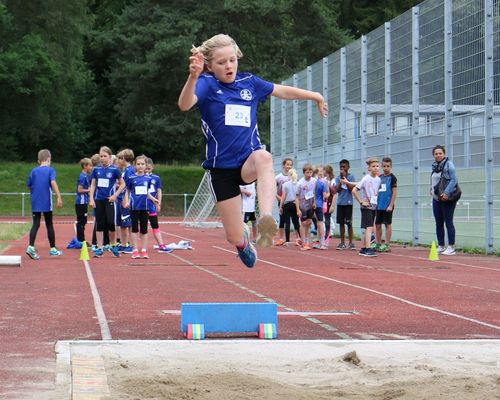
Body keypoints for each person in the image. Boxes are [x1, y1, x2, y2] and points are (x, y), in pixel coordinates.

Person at [178, 33, 327, 268]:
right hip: (221, 169)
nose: (228, 66)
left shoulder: (250, 83)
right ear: (209, 66)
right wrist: (193, 77)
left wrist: (315, 96)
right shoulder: (206, 84)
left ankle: (266, 217)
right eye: (221, 62)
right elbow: (184, 104)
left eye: (232, 60)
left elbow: (283, 91)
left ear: (237, 58)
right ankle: (242, 242)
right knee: (233, 236)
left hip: (248, 161)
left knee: (264, 156)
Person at [25, 149, 63, 260]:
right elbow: (52, 182)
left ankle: (31, 247)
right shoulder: (50, 170)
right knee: (49, 224)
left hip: (35, 201)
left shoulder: (33, 171)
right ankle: (53, 249)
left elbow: (29, 185)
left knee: (35, 224)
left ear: (38, 160)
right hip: (46, 201)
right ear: (48, 159)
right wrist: (58, 196)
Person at [89, 146, 125, 258]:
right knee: (99, 224)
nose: (103, 158)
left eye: (105, 156)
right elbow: (93, 184)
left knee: (110, 223)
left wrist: (115, 195)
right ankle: (99, 248)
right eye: (101, 156)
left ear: (110, 157)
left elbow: (123, 184)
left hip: (110, 200)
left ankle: (113, 245)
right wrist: (91, 198)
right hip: (99, 200)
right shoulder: (96, 170)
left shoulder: (115, 170)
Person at [124, 155, 159, 259]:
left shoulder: (148, 179)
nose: (140, 166)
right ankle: (135, 250)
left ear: (145, 166)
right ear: (135, 166)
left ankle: (143, 250)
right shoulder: (131, 178)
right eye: (138, 164)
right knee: (134, 229)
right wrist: (127, 201)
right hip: (134, 206)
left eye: (142, 164)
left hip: (145, 206)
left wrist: (153, 199)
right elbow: (127, 190)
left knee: (144, 230)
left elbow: (146, 192)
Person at [431, 145, 458, 256]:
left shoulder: (449, 165)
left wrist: (446, 192)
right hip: (436, 198)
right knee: (438, 222)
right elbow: (435, 180)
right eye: (436, 154)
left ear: (444, 154)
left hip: (446, 198)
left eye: (440, 153)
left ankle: (451, 247)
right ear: (433, 155)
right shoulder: (434, 166)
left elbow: (454, 180)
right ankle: (441, 245)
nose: (438, 155)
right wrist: (431, 189)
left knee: (448, 222)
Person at [352, 157, 381, 257]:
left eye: (377, 166)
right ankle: (368, 248)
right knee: (369, 227)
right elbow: (354, 190)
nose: (376, 168)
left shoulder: (378, 180)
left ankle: (363, 248)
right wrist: (361, 201)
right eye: (373, 166)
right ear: (369, 168)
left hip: (373, 206)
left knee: (369, 227)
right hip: (366, 206)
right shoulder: (365, 179)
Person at [145, 157, 171, 253]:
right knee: (139, 227)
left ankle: (161, 244)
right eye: (145, 168)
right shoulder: (140, 177)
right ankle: (134, 246)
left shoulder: (156, 178)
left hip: (152, 206)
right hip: (141, 206)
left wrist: (158, 203)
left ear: (152, 167)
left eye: (149, 168)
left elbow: (159, 191)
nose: (147, 170)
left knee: (155, 225)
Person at [373, 157, 397, 252]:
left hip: (387, 205)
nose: (386, 168)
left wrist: (390, 205)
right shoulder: (379, 178)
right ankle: (378, 243)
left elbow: (394, 192)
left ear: (390, 167)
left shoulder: (392, 178)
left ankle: (387, 244)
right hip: (379, 205)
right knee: (378, 224)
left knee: (387, 224)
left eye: (388, 166)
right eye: (384, 166)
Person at [334, 159, 356, 250]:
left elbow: (352, 189)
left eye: (344, 167)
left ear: (348, 167)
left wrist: (346, 181)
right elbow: (336, 190)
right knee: (341, 223)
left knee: (349, 223)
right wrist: (340, 181)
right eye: (341, 167)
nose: (342, 169)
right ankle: (342, 242)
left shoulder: (351, 177)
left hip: (348, 203)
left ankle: (351, 242)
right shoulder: (337, 178)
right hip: (340, 203)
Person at [116, 149, 135, 253]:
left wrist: (126, 200)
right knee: (123, 225)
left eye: (120, 158)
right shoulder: (125, 171)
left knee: (128, 224)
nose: (118, 161)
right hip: (121, 200)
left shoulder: (129, 171)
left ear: (124, 159)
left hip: (126, 201)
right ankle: (123, 244)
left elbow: (129, 188)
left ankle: (131, 246)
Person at [295, 163, 317, 251]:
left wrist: (314, 202)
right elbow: (296, 197)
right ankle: (303, 242)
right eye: (307, 172)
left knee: (309, 222)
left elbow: (314, 192)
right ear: (304, 173)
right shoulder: (300, 183)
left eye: (311, 172)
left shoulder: (314, 181)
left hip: (310, 205)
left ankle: (307, 240)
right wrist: (298, 209)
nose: (309, 174)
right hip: (302, 206)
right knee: (303, 223)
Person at [275, 158, 294, 246]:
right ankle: (281, 238)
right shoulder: (278, 177)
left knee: (293, 220)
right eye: (287, 164)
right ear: (283, 165)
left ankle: (297, 239)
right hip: (282, 202)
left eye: (290, 165)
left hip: (291, 202)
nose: (289, 166)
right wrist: (279, 199)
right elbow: (273, 191)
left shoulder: (293, 177)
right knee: (282, 220)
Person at [74, 158, 92, 245]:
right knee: (81, 221)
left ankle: (81, 240)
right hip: (80, 202)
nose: (91, 167)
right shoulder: (82, 176)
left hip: (83, 201)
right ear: (85, 166)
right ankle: (81, 241)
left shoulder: (85, 176)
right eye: (90, 165)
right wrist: (89, 190)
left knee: (83, 221)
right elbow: (79, 190)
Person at [312, 165, 329, 249]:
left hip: (312, 204)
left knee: (317, 224)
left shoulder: (313, 182)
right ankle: (322, 243)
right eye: (320, 171)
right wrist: (327, 195)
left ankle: (318, 242)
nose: (321, 173)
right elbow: (325, 196)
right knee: (320, 223)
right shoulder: (322, 183)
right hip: (319, 204)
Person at [323, 164, 337, 246]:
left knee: (327, 220)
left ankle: (326, 238)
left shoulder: (333, 181)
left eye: (324, 170)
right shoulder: (324, 179)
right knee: (321, 220)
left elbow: (334, 194)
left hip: (328, 203)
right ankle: (321, 236)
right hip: (323, 202)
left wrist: (332, 205)